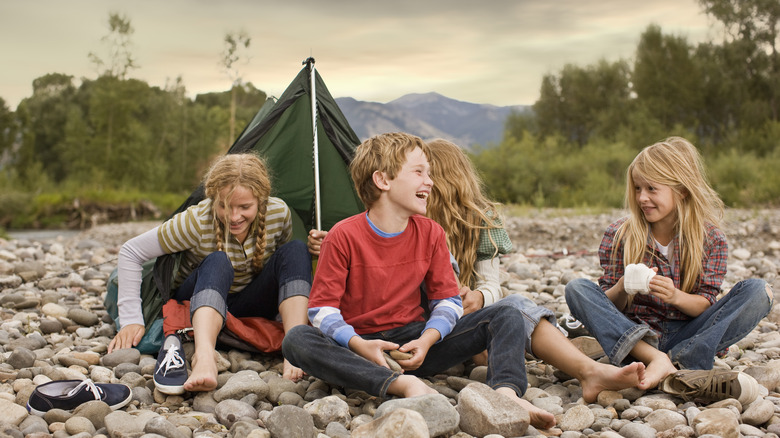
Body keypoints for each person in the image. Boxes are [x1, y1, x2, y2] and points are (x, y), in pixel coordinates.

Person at [285, 132, 645, 430]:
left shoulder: (431, 234)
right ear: (383, 180)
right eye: (419, 172)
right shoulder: (344, 236)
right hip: (363, 348)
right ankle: (401, 385)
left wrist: (427, 340)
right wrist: (360, 344)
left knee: (506, 313)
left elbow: (446, 301)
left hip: (417, 342)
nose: (429, 181)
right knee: (297, 339)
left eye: (429, 173)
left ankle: (505, 393)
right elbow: (321, 308)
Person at [565, 137, 773, 396]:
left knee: (758, 291)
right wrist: (623, 287)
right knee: (577, 289)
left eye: (652, 189)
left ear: (682, 190)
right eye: (638, 188)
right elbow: (607, 306)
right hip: (636, 336)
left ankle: (682, 360)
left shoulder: (710, 239)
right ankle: (668, 365)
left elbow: (705, 304)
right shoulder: (620, 233)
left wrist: (675, 296)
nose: (642, 198)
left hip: (687, 332)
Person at [108, 153, 312, 392]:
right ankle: (204, 357)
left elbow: (283, 266)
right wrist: (131, 320)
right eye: (224, 206)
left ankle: (294, 348)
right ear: (213, 198)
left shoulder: (279, 214)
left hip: (248, 303)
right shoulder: (195, 221)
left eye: (245, 207)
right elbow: (131, 251)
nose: (234, 217)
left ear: (262, 199)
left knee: (297, 249)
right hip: (199, 301)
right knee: (218, 259)